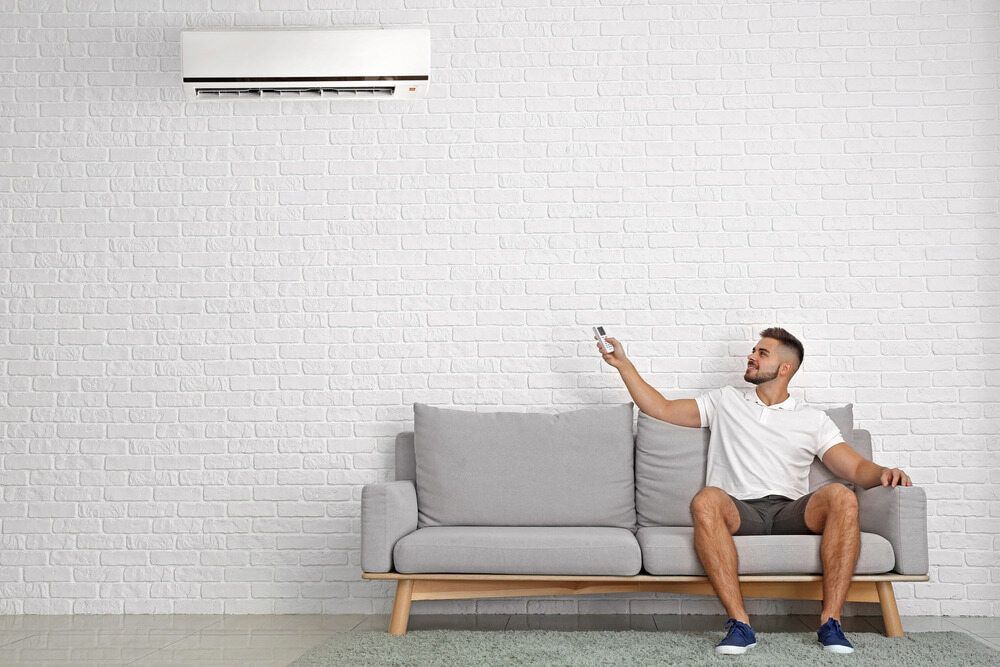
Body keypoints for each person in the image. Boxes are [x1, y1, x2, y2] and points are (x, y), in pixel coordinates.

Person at [595, 327, 912, 656]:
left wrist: (884, 472)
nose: (751, 356)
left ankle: (830, 622)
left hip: (790, 511)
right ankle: (740, 624)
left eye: (762, 353)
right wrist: (624, 365)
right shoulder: (725, 400)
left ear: (785, 368)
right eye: (754, 351)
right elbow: (660, 408)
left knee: (842, 497)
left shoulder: (813, 419)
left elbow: (856, 469)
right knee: (706, 499)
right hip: (739, 510)